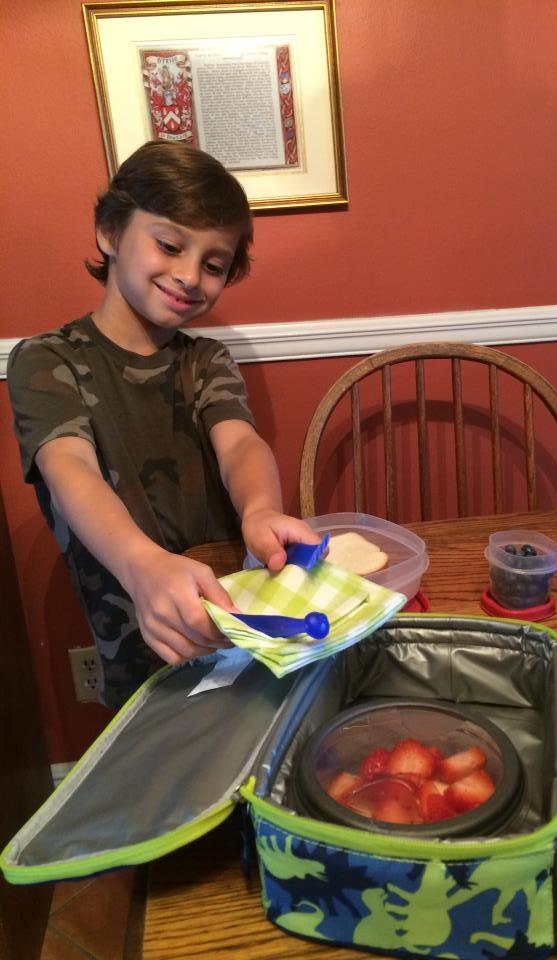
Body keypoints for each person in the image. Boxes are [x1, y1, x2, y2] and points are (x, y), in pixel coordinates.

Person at [7, 140, 319, 708]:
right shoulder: (45, 360)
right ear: (109, 232)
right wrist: (144, 564)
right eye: (170, 245)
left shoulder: (205, 361)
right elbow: (68, 467)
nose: (189, 275)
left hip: (236, 623)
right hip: (141, 646)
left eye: (214, 264)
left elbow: (240, 443)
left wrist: (261, 510)